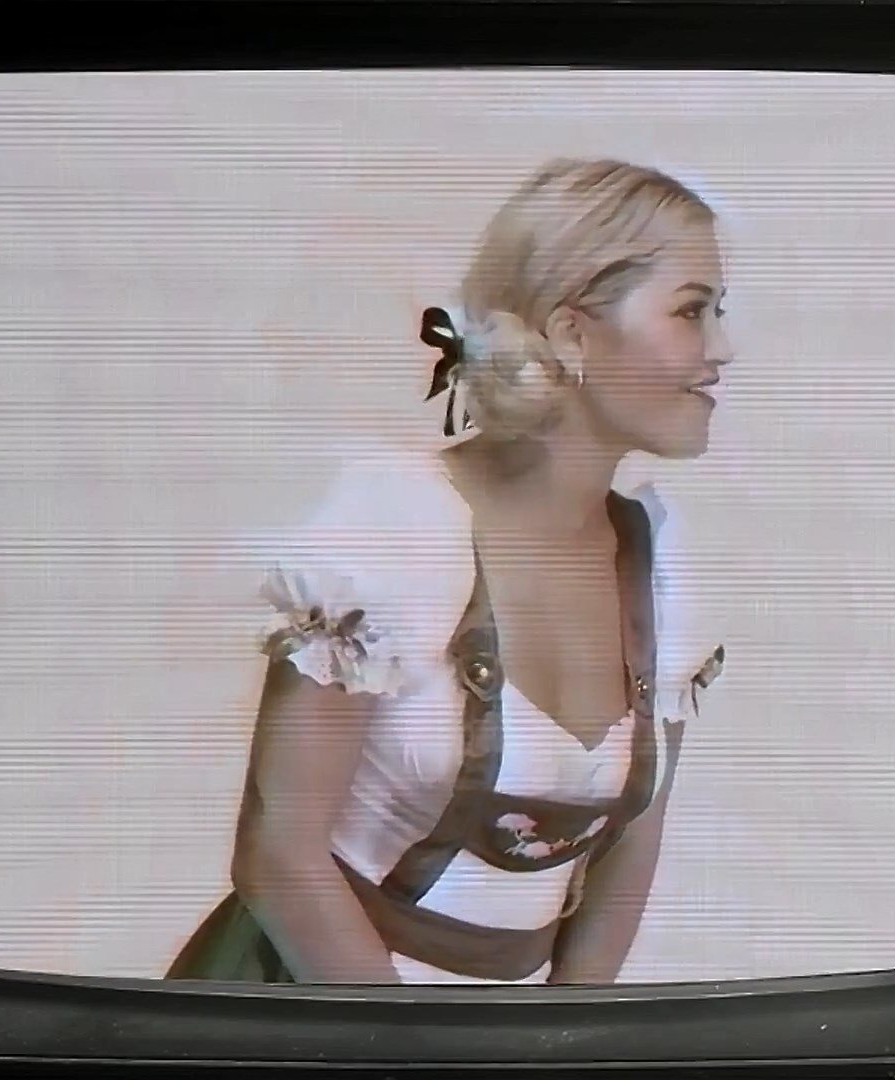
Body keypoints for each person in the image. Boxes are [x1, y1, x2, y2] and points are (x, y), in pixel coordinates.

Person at [166, 158, 734, 985]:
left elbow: (627, 864)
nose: (722, 349)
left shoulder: (660, 565)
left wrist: (563, 1039)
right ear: (571, 334)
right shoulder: (395, 528)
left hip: (510, 1035)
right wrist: (423, 1049)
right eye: (691, 311)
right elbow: (279, 857)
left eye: (719, 312)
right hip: (317, 1010)